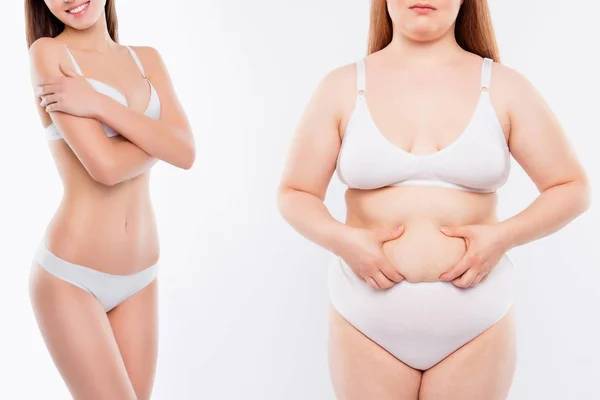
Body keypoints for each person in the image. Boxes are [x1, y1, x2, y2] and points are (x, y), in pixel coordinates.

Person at [277, 0, 590, 399]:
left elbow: (571, 187)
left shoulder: (504, 87)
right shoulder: (341, 87)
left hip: (476, 326)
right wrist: (344, 242)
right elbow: (295, 193)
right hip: (365, 322)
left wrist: (501, 238)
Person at [25, 1, 195, 398]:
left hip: (141, 275)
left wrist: (99, 104)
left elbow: (186, 152)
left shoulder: (146, 59)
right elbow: (105, 167)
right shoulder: (49, 54)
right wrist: (159, 140)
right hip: (71, 276)